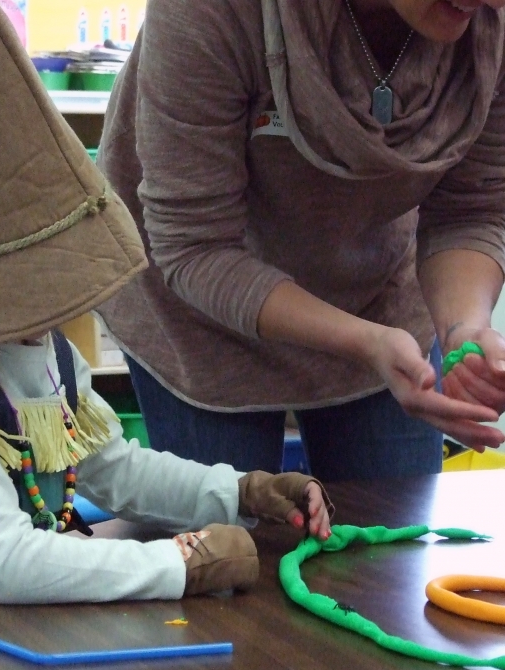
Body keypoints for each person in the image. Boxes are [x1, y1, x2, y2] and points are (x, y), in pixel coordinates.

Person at [0, 1, 334, 670]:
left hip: (4, 635)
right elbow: (3, 558)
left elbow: (116, 466)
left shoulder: (46, 355)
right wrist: (178, 559)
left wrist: (241, 491)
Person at [95, 0, 505, 481]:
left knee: (396, 541)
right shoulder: (209, 11)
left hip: (377, 300)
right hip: (200, 315)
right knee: (234, 546)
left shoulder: (488, 20)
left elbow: (468, 210)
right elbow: (195, 246)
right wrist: (367, 342)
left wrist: (464, 326)